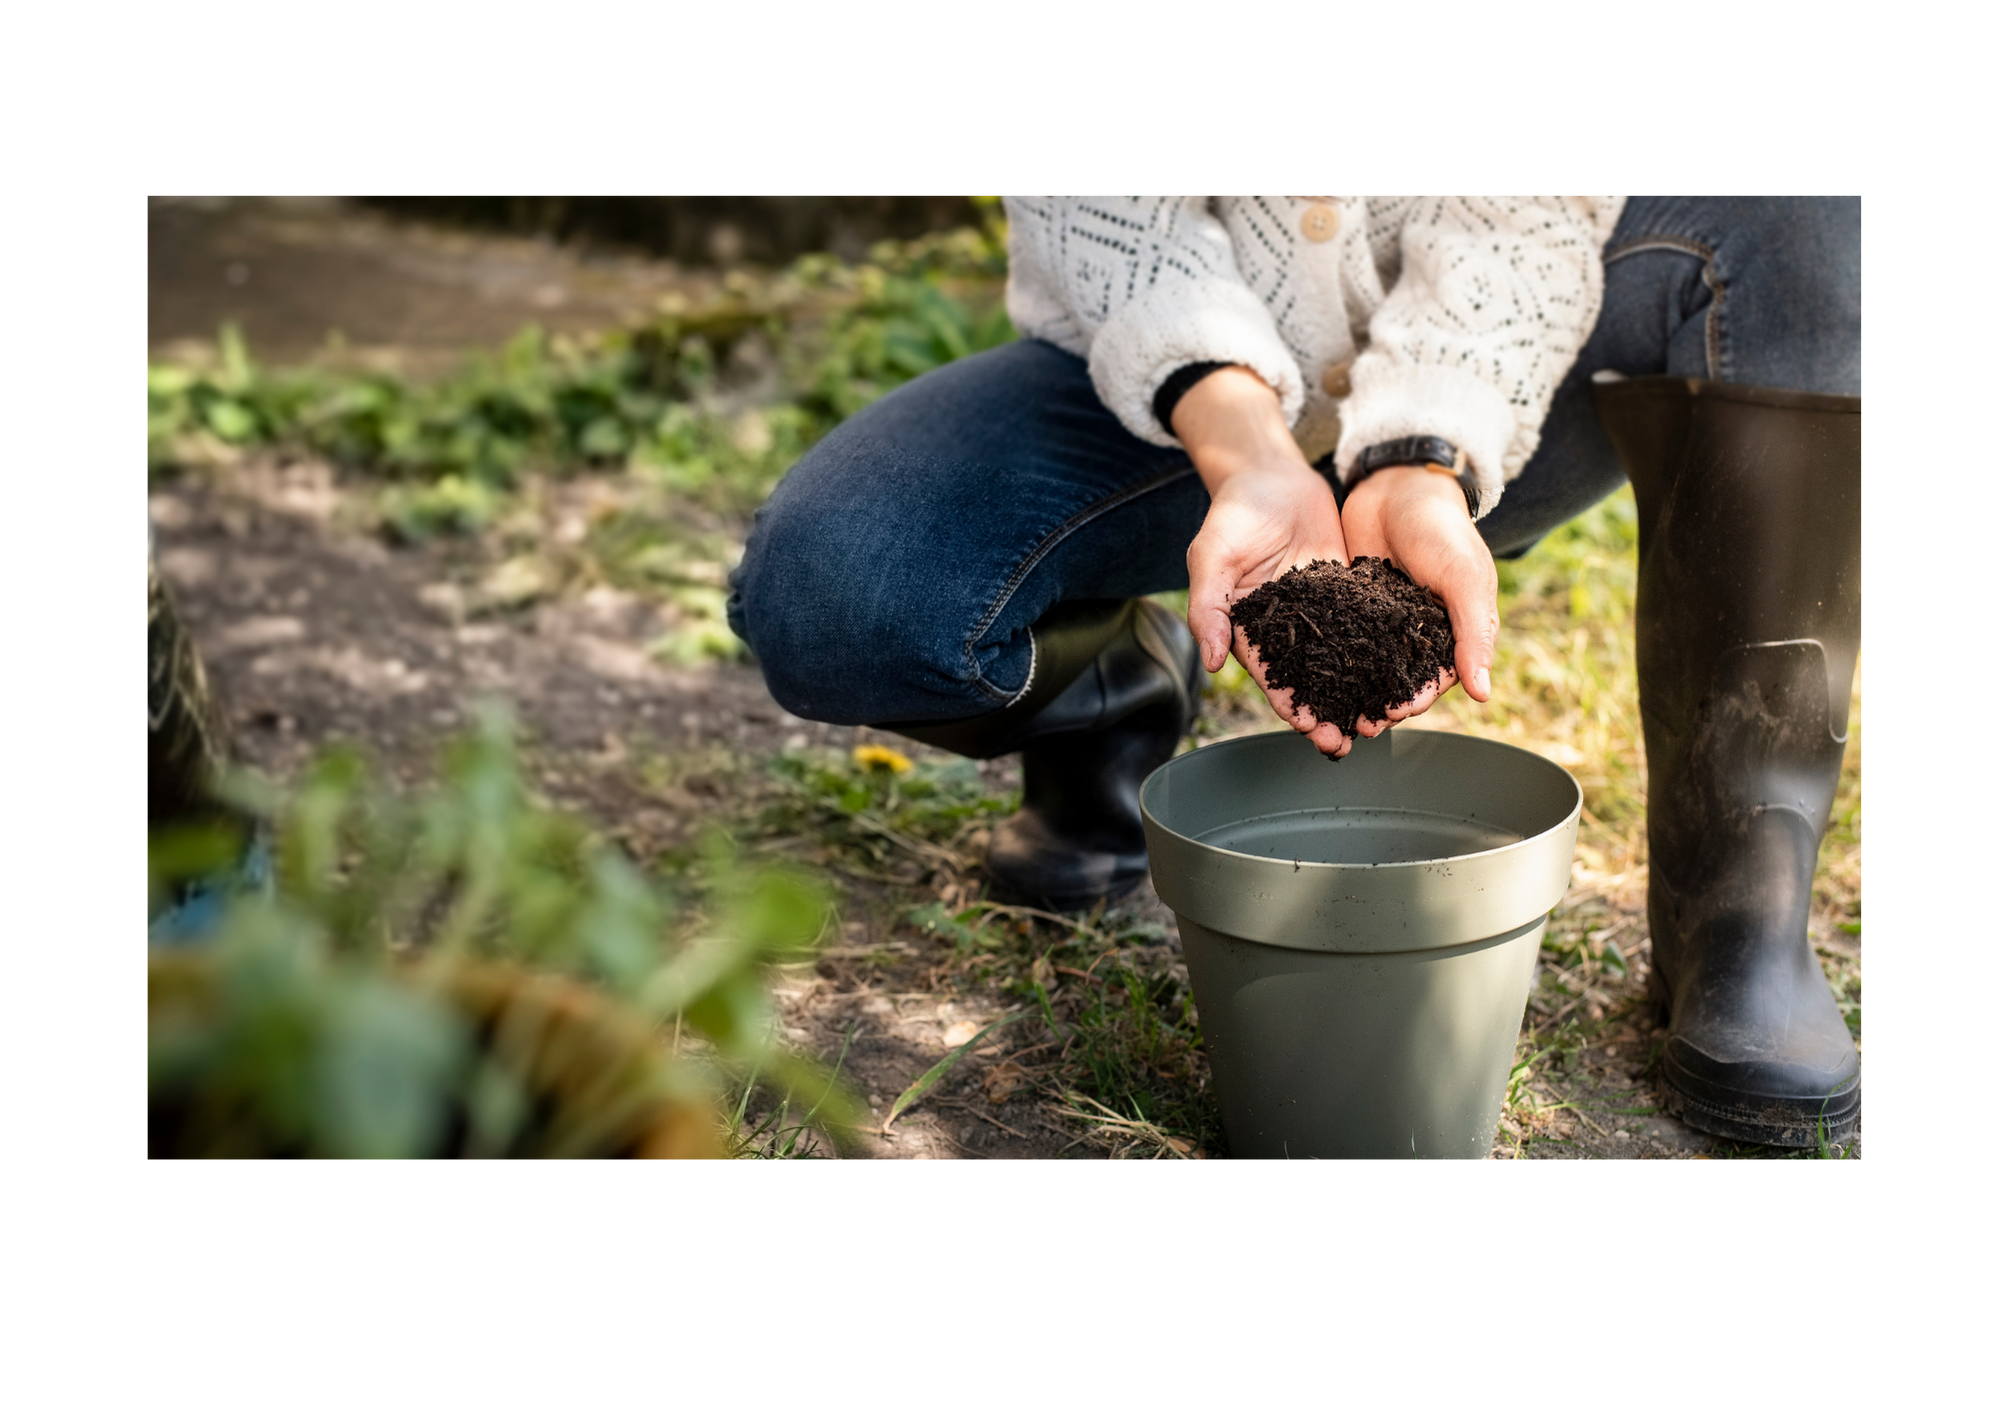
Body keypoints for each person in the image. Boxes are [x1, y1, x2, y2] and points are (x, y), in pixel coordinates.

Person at [729, 194, 1863, 1147]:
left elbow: (1521, 219)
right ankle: (1117, 691)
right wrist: (1248, 447)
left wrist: (1420, 458)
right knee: (836, 595)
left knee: (1798, 214)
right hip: (1167, 392)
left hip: (1503, 369)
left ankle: (1739, 920)